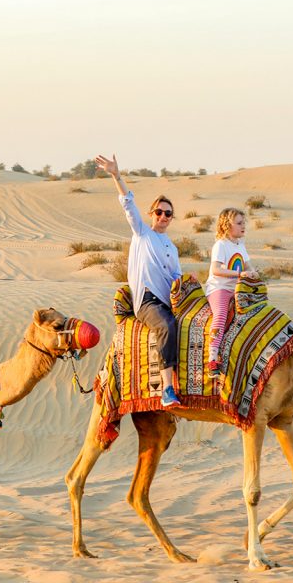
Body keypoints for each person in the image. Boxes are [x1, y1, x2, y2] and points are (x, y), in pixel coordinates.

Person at [96, 154, 183, 407]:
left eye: (168, 213)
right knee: (166, 326)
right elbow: (127, 203)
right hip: (148, 302)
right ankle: (167, 389)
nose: (163, 216)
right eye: (159, 212)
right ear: (151, 214)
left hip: (168, 300)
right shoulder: (142, 233)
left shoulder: (172, 248)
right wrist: (116, 175)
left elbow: (176, 277)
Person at [203, 208, 258, 378]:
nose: (244, 226)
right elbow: (216, 269)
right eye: (239, 223)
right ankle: (212, 358)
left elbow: (248, 265)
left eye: (244, 223)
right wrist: (239, 274)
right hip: (219, 288)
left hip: (237, 289)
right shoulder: (221, 245)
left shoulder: (240, 245)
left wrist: (254, 273)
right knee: (220, 315)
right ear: (227, 226)